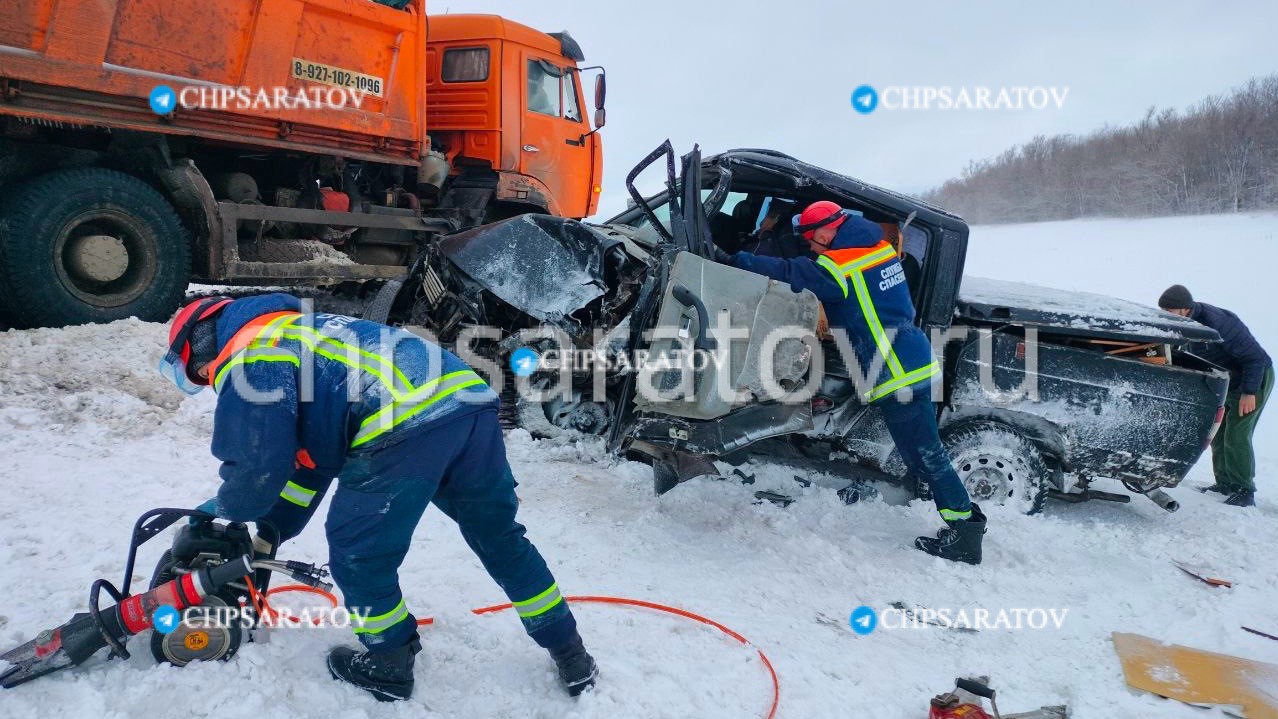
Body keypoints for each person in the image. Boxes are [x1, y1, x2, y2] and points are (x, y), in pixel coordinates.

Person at [158, 293, 597, 701]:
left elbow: (258, 467)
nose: (201, 381)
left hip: (405, 419)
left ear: (198, 344)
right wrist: (270, 532)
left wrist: (228, 511)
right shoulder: (302, 332)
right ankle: (570, 652)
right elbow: (310, 464)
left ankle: (388, 662)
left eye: (191, 373)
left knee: (360, 555)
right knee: (499, 536)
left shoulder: (253, 355)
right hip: (468, 400)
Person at [712, 200, 987, 564]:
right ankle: (964, 519)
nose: (811, 246)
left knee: (925, 455)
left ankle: (965, 531)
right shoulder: (877, 249)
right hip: (909, 355)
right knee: (921, 453)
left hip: (894, 370)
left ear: (826, 232)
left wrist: (733, 260)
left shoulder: (839, 265)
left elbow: (791, 271)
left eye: (812, 240)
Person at [1159, 284, 1272, 507]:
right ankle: (1225, 484)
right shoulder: (1184, 323)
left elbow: (1255, 359)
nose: (1165, 315)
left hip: (1253, 378)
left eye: (1168, 311)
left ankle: (1244, 490)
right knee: (1217, 432)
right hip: (1225, 379)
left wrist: (1249, 392)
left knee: (1237, 433)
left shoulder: (1220, 323)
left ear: (1183, 309)